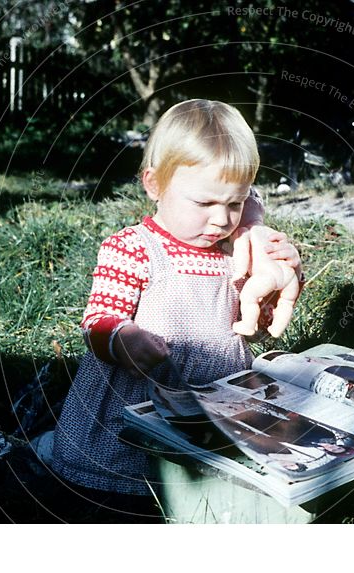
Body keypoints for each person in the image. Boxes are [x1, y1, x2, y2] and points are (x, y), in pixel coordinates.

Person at [51, 99, 303, 522]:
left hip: (212, 404)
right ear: (154, 185)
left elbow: (251, 327)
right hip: (131, 414)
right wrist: (121, 338)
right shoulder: (133, 248)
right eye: (204, 203)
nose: (221, 220)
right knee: (125, 507)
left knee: (208, 498)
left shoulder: (233, 251)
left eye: (235, 203)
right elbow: (99, 318)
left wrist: (276, 282)